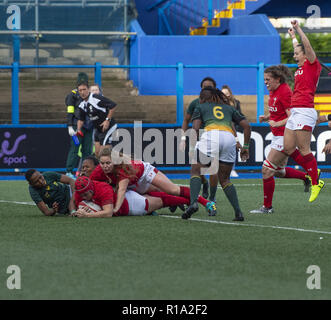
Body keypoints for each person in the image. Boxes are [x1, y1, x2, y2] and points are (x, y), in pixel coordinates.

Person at [250, 65, 314, 214]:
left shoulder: (285, 92)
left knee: (266, 170)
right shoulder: (274, 91)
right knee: (278, 171)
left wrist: (277, 123)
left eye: (268, 80)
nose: (265, 82)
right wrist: (268, 117)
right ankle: (307, 177)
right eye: (264, 80)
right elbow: (279, 111)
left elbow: (293, 115)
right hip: (277, 135)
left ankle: (267, 207)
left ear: (278, 79)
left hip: (284, 135)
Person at [182, 87, 251, 221]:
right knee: (225, 179)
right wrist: (246, 147)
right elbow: (247, 126)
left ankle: (193, 203)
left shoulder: (200, 107)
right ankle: (238, 212)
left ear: (203, 98)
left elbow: (195, 128)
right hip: (229, 138)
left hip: (210, 136)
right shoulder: (228, 108)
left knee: (196, 170)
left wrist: (192, 147)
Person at [89, 148, 217, 216]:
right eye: (102, 163)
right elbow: (88, 183)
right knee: (153, 196)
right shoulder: (99, 170)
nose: (105, 166)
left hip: (144, 172)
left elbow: (122, 190)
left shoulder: (122, 168)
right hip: (134, 183)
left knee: (171, 189)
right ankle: (184, 201)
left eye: (108, 163)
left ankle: (207, 203)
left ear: (115, 161)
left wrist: (116, 209)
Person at [284, 20, 324, 202]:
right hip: (295, 110)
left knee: (304, 148)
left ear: (305, 55)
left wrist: (298, 29)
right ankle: (313, 171)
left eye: (296, 53)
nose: (294, 55)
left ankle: (316, 182)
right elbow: (299, 46)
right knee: (288, 147)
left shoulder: (312, 64)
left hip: (305, 110)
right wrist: (293, 37)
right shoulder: (301, 67)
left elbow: (306, 45)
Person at [179, 77, 220, 202]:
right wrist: (182, 138)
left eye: (210, 87)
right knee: (196, 166)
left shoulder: (219, 103)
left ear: (214, 89)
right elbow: (186, 120)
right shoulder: (195, 103)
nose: (207, 89)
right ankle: (204, 183)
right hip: (196, 136)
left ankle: (212, 197)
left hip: (213, 136)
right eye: (204, 87)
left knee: (214, 167)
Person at [73, 176, 190, 218]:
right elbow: (73, 201)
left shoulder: (102, 188)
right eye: (81, 195)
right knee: (159, 196)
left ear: (91, 189)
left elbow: (108, 213)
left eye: (85, 194)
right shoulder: (81, 190)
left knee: (162, 200)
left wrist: (88, 215)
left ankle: (191, 199)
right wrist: (73, 211)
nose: (84, 197)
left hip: (131, 205)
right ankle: (185, 199)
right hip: (125, 197)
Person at [76, 82, 118, 158]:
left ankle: (116, 166)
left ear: (88, 89)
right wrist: (78, 129)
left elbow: (113, 105)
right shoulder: (81, 104)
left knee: (104, 153)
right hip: (97, 129)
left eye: (84, 89)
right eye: (80, 90)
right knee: (97, 153)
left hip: (108, 127)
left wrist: (107, 120)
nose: (82, 92)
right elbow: (81, 119)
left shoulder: (96, 98)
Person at [65, 72, 94, 179]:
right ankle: (69, 171)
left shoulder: (91, 95)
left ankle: (84, 173)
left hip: (88, 128)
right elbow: (70, 112)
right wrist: (69, 126)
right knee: (75, 148)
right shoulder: (72, 96)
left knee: (87, 150)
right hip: (75, 128)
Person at [221, 84, 243, 178]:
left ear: (230, 94)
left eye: (227, 93)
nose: (225, 95)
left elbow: (240, 116)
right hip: (221, 129)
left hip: (232, 130)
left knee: (233, 150)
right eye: (223, 93)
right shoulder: (218, 103)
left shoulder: (236, 103)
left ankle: (232, 169)